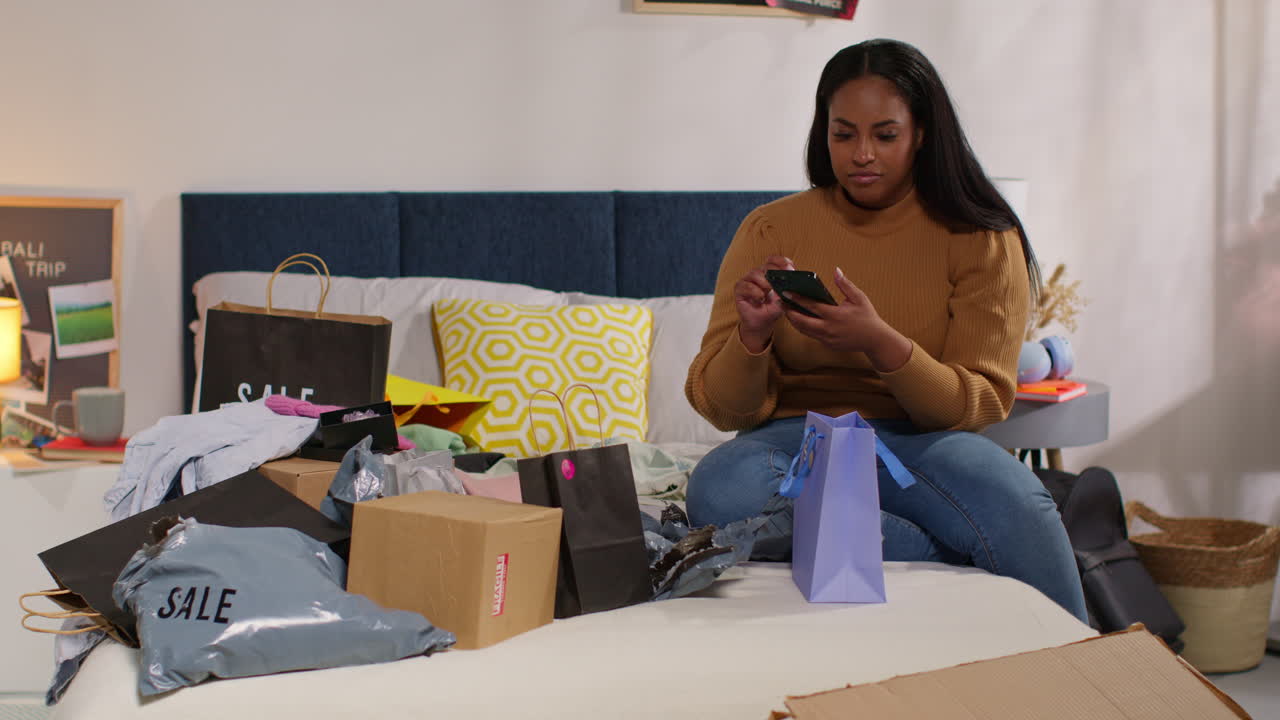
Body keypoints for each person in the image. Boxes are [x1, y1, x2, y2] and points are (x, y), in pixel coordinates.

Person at [684, 38, 1087, 621]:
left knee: (1021, 503)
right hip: (796, 443)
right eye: (843, 134)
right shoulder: (771, 227)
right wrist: (752, 337)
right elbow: (723, 411)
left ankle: (1084, 665)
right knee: (720, 491)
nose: (861, 154)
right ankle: (948, 550)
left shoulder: (982, 236)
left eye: (885, 134)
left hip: (926, 440)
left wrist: (880, 342)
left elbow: (979, 403)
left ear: (921, 132)